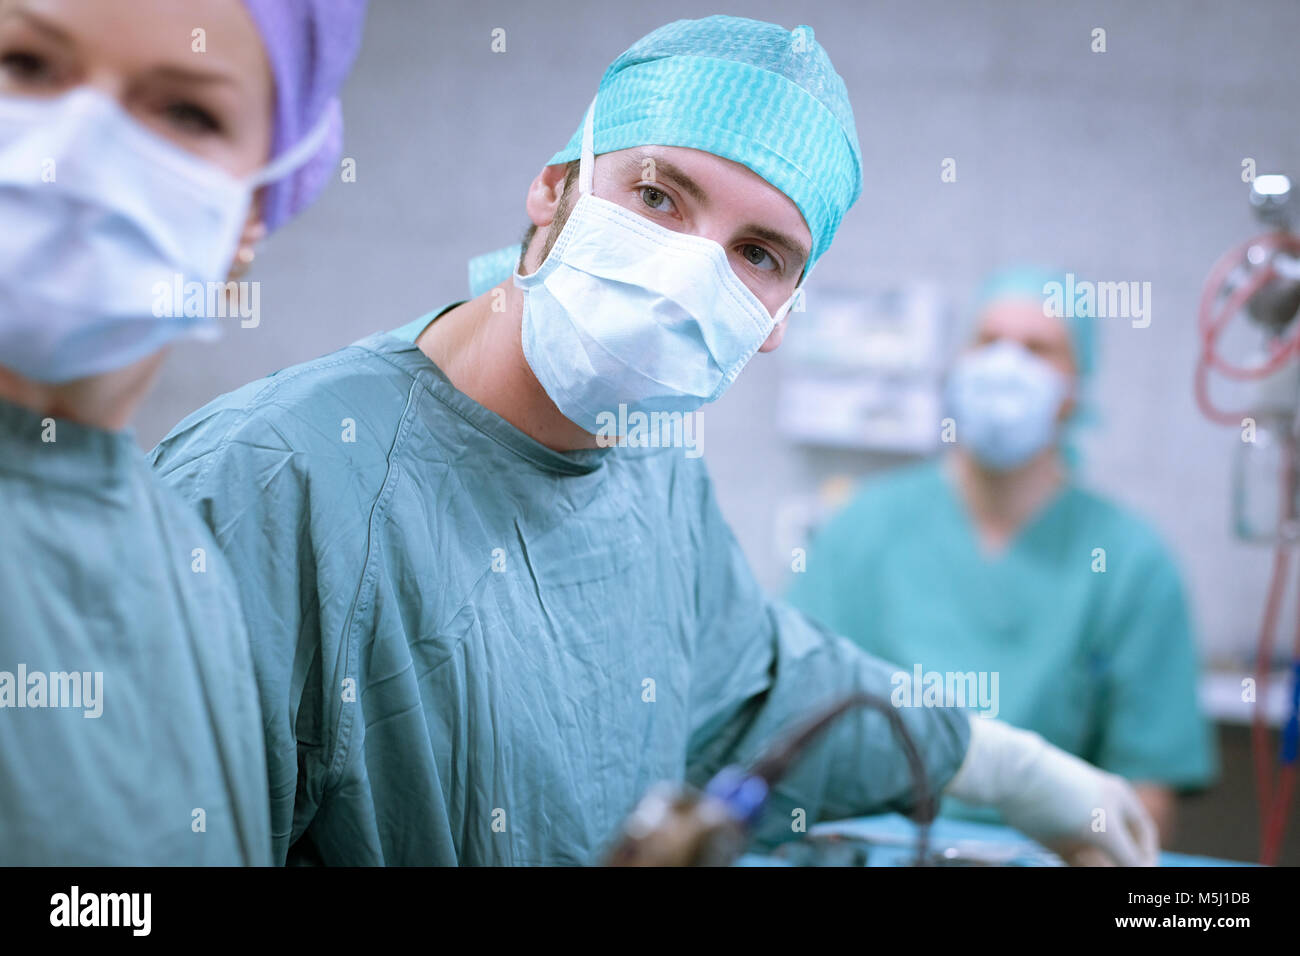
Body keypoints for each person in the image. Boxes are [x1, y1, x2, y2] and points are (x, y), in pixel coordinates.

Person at [151, 17, 1157, 866]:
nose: (685, 267)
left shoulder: (653, 470)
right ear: (554, 189)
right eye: (658, 195)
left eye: (757, 253)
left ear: (777, 317)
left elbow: (761, 684)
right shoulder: (267, 481)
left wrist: (999, 763)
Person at [0, 0, 366, 864]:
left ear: (252, 215)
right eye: (26, 65)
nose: (78, 152)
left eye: (185, 112)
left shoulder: (175, 551)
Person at [788, 266, 1217, 844]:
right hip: (874, 841)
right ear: (958, 362)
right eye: (989, 342)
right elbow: (796, 717)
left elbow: (1145, 793)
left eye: (1038, 350)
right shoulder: (862, 529)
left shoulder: (1131, 562)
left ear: (1075, 387)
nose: (1006, 367)